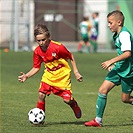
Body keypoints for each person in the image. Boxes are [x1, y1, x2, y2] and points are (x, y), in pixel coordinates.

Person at [18, 24, 83, 124]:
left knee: (67, 100)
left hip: (62, 77)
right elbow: (36, 67)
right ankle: (40, 119)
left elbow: (70, 56)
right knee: (41, 95)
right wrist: (26, 76)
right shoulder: (37, 51)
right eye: (38, 41)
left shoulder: (58, 47)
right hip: (48, 76)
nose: (41, 43)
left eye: (43, 39)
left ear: (48, 36)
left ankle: (73, 104)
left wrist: (76, 72)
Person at [84, 10, 133, 127]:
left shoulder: (124, 34)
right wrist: (115, 66)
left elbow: (127, 54)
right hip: (119, 69)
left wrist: (111, 61)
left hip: (128, 71)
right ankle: (98, 120)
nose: (108, 25)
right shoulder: (117, 34)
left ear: (119, 22)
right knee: (102, 90)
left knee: (125, 99)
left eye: (110, 23)